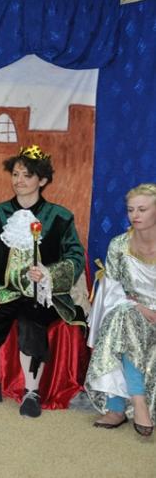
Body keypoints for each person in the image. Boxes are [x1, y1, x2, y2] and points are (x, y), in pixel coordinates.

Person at [0, 145, 85, 418]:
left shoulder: (60, 217)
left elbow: (75, 256)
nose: (19, 180)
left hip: (40, 294)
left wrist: (49, 274)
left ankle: (31, 392)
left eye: (27, 175)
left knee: (31, 322)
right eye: (15, 174)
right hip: (2, 290)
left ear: (43, 180)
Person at [86, 183, 156, 437]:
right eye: (130, 209)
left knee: (123, 321)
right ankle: (137, 402)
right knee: (123, 317)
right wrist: (139, 307)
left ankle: (117, 407)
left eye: (142, 209)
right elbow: (111, 291)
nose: (135, 215)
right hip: (132, 309)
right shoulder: (118, 245)